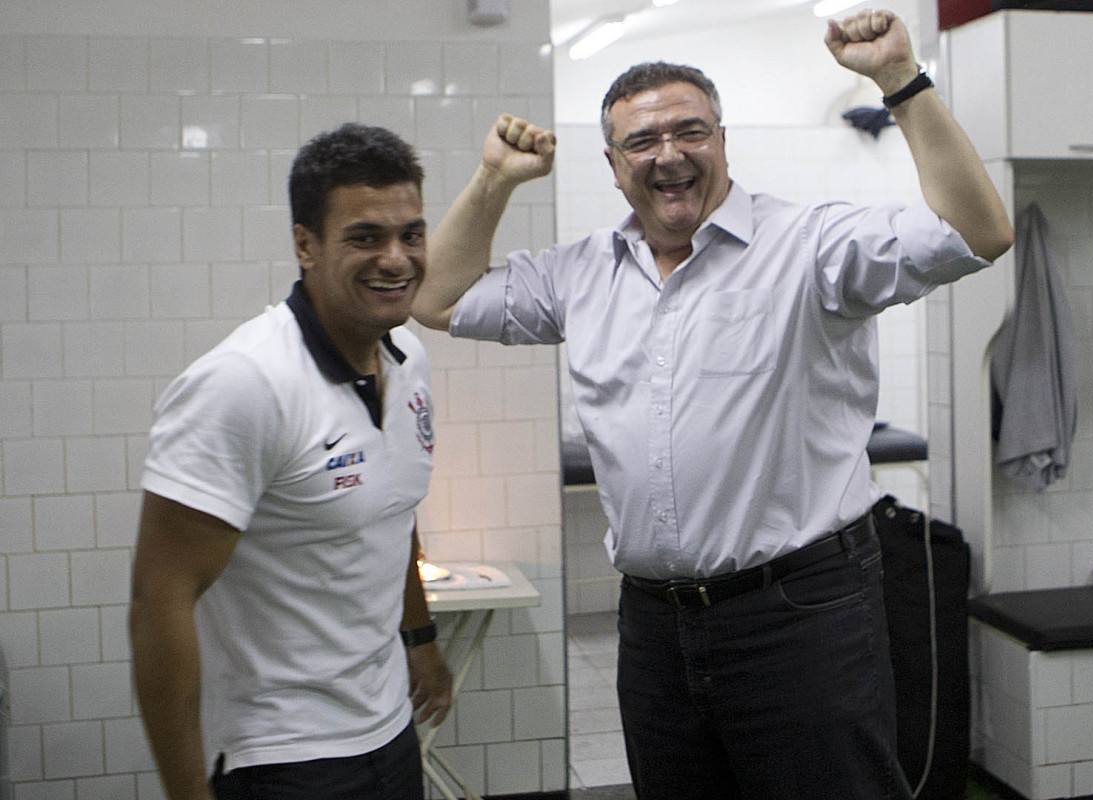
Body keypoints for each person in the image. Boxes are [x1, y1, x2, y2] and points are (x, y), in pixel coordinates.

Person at [413, 8, 1012, 800]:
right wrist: (493, 180)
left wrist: (900, 79)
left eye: (690, 132)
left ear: (722, 140)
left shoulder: (809, 248)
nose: (669, 154)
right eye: (642, 142)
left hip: (801, 614)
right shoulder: (581, 272)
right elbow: (437, 298)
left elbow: (979, 231)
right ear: (613, 163)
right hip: (655, 627)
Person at [129, 122, 452, 800]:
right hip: (282, 757)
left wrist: (419, 636)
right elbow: (160, 600)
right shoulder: (243, 384)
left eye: (411, 234)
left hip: (391, 731)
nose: (396, 259)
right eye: (365, 237)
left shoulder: (408, 358)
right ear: (305, 244)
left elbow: (392, 506)